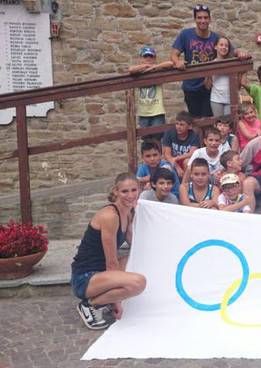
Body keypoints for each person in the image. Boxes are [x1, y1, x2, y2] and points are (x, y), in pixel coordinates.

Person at [70, 173, 146, 330]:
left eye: (134, 190)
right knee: (138, 283)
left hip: (102, 273)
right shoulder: (110, 216)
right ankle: (90, 304)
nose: (130, 195)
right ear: (116, 192)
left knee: (138, 258)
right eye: (125, 191)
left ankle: (104, 298)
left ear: (139, 190)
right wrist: (117, 303)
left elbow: (135, 245)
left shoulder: (129, 212)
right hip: (85, 277)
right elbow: (111, 262)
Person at [171, 5, 245, 117]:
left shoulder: (215, 37)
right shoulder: (186, 35)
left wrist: (240, 53)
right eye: (199, 18)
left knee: (210, 120)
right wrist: (177, 62)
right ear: (195, 19)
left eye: (205, 18)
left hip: (209, 86)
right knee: (195, 120)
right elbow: (173, 54)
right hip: (191, 85)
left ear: (210, 19)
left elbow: (230, 49)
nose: (203, 20)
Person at [128, 47, 173, 141]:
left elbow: (170, 64)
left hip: (157, 111)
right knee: (145, 140)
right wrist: (144, 67)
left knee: (158, 138)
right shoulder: (139, 72)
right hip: (143, 112)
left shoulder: (158, 70)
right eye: (145, 56)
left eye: (151, 56)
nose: (148, 58)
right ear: (141, 58)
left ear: (155, 58)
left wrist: (154, 67)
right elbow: (131, 70)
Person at [162, 111, 201, 178]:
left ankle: (187, 185)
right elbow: (167, 154)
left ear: (190, 126)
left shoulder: (193, 135)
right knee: (164, 165)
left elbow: (192, 153)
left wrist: (177, 158)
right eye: (177, 124)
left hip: (183, 160)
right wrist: (177, 167)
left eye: (182, 124)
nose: (178, 127)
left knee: (187, 161)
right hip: (172, 160)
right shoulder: (169, 133)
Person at [204, 36, 234, 117]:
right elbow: (207, 86)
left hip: (230, 99)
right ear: (216, 47)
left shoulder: (232, 63)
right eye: (221, 45)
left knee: (229, 124)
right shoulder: (211, 64)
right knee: (218, 124)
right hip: (216, 99)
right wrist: (209, 74)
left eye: (226, 46)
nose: (224, 47)